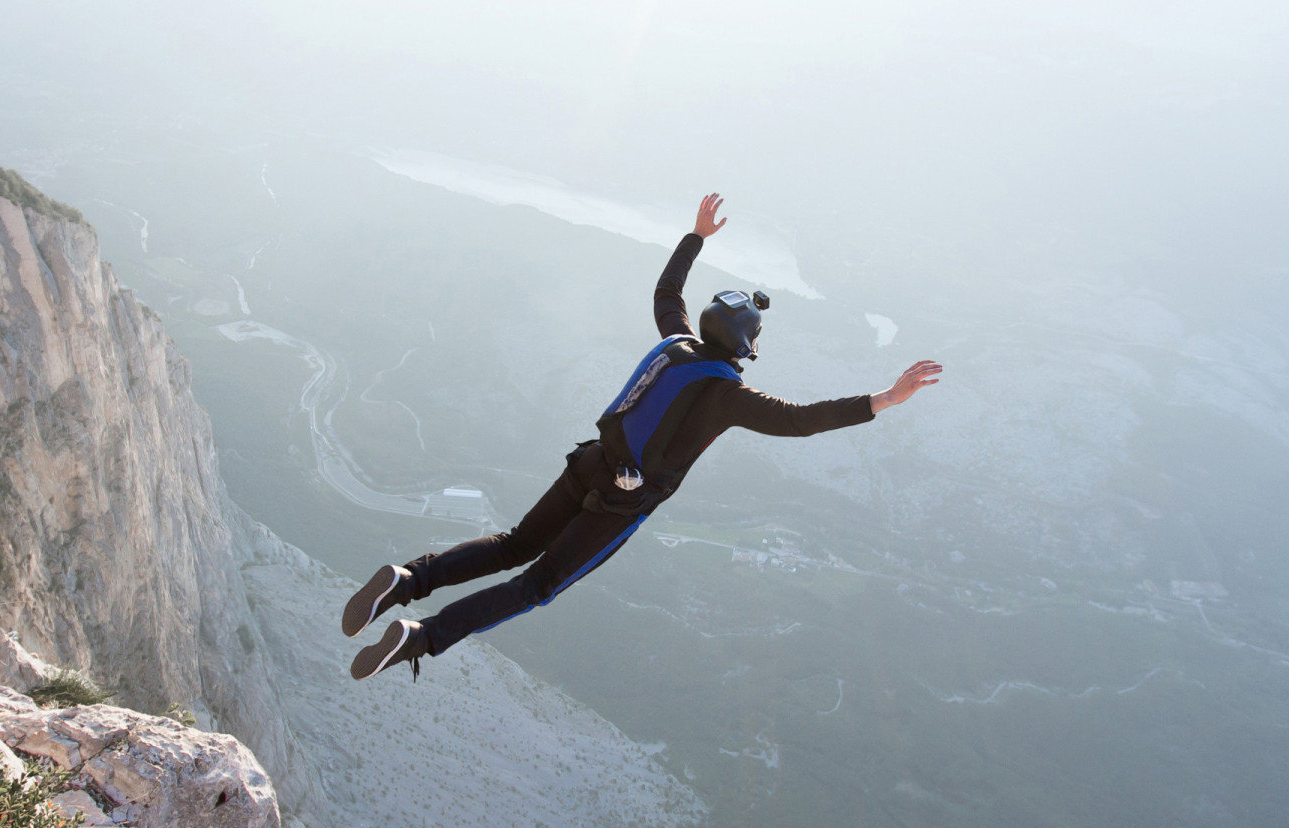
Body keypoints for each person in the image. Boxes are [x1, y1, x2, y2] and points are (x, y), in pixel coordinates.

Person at [343, 192, 942, 680]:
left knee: (510, 545)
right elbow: (799, 419)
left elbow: (667, 294)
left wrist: (697, 236)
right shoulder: (728, 395)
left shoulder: (676, 342)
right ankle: (422, 637)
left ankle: (408, 581)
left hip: (591, 461)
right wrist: (885, 399)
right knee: (535, 585)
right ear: (744, 347)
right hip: (623, 500)